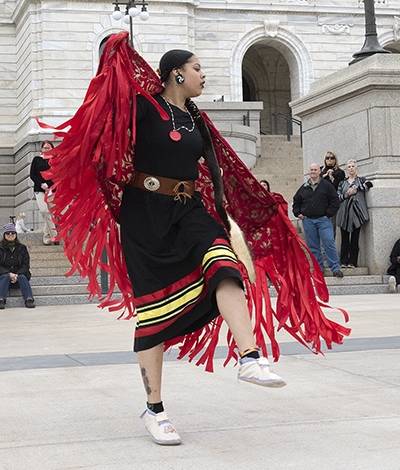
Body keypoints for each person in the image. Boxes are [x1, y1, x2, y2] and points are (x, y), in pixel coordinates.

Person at [35, 33, 350, 446]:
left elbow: (227, 171)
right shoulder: (144, 108)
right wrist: (113, 49)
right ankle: (155, 410)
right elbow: (107, 110)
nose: (204, 74)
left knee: (224, 264)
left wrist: (260, 206)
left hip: (190, 211)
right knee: (151, 318)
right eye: (198, 68)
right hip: (145, 216)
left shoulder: (198, 118)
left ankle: (250, 358)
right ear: (175, 74)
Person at [293, 163, 343, 278]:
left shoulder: (326, 185)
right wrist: (298, 214)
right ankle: (318, 269)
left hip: (323, 220)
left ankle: (335, 268)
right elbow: (296, 201)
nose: (313, 172)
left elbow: (335, 201)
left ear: (320, 171)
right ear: (309, 171)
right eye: (311, 170)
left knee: (328, 243)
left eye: (315, 170)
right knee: (313, 246)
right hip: (308, 221)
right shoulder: (304, 187)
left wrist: (328, 214)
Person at [336, 159, 373, 268]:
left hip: (357, 214)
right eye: (349, 166)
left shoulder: (361, 180)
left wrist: (357, 188)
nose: (351, 168)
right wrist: (348, 193)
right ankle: (343, 262)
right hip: (344, 214)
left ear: (356, 168)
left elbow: (369, 184)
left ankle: (352, 262)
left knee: (355, 239)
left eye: (353, 166)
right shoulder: (342, 183)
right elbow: (338, 197)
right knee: (344, 239)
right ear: (347, 169)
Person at [30, 140, 59, 246]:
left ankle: (46, 237)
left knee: (51, 213)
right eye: (45, 148)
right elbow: (32, 175)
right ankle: (55, 235)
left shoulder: (56, 159)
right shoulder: (37, 159)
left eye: (49, 148)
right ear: (41, 149)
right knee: (44, 211)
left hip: (52, 190)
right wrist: (42, 183)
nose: (47, 149)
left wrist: (48, 184)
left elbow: (58, 174)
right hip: (39, 189)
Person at [0, 223, 35, 309]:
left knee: (23, 277)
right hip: (3, 277)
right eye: (8, 233)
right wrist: (8, 273)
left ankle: (29, 299)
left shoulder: (22, 248)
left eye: (12, 232)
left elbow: (25, 265)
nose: (10, 235)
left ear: (16, 234)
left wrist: (17, 274)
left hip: (18, 276)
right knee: (5, 277)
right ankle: (1, 299)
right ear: (4, 235)